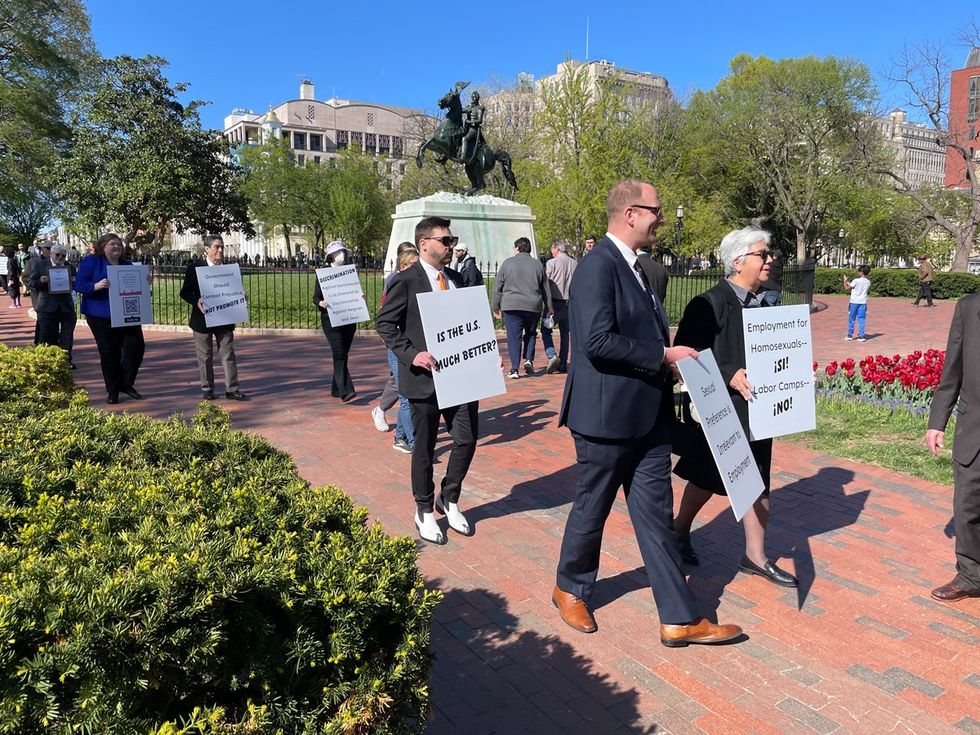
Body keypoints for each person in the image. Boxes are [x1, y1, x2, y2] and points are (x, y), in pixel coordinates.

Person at [553, 179, 742, 647]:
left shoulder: (640, 268)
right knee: (592, 508)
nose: (661, 218)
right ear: (631, 213)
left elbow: (640, 335)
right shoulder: (598, 266)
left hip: (650, 417)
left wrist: (670, 364)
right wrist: (662, 356)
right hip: (605, 418)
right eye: (655, 210)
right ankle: (569, 588)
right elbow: (596, 343)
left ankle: (679, 617)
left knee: (657, 518)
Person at [671, 227, 798, 589]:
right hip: (723, 411)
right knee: (708, 477)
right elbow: (685, 357)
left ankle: (755, 556)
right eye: (762, 253)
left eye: (769, 253)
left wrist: (795, 370)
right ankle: (679, 529)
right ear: (737, 260)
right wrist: (728, 374)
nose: (770, 259)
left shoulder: (770, 300)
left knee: (757, 481)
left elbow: (779, 349)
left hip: (761, 408)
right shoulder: (708, 303)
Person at [376, 216, 477, 545]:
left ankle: (448, 498)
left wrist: (484, 352)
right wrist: (412, 354)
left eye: (452, 240)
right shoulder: (405, 281)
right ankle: (423, 509)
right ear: (424, 244)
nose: (451, 246)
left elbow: (468, 325)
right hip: (424, 379)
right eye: (445, 240)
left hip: (460, 377)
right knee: (424, 448)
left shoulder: (458, 279)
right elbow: (385, 324)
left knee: (467, 439)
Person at [925, 292, 980, 602]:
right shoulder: (969, 308)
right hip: (975, 429)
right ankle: (971, 576)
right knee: (967, 506)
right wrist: (937, 422)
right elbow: (952, 370)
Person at [73, 233, 147, 404]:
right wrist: (95, 286)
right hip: (100, 316)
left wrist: (145, 282)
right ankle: (112, 391)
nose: (116, 247)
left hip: (126, 315)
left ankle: (125, 383)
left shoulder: (127, 265)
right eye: (112, 244)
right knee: (109, 353)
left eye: (119, 245)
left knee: (136, 349)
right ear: (103, 246)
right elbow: (78, 284)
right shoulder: (92, 262)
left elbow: (135, 288)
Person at [179, 235, 248, 401]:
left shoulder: (229, 269)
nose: (220, 250)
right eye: (217, 247)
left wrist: (241, 297)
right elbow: (185, 292)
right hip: (202, 319)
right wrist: (197, 301)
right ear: (207, 249)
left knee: (228, 353)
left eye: (222, 247)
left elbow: (233, 291)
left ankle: (232, 388)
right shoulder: (195, 268)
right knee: (205, 355)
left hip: (225, 317)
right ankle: (207, 388)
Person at [373, 245, 420, 454]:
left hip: (414, 346)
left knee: (405, 391)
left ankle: (401, 436)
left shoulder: (419, 282)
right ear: (403, 265)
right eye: (413, 264)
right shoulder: (397, 282)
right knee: (406, 395)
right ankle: (413, 442)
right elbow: (385, 319)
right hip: (398, 346)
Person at [492, 237, 553, 379]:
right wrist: (549, 306)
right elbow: (545, 288)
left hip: (511, 305)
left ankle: (514, 368)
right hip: (533, 305)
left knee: (514, 337)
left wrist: (496, 305)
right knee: (531, 333)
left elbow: (497, 286)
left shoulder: (508, 263)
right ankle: (529, 360)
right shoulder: (537, 265)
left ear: (517, 248)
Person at [314, 240, 358, 402]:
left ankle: (335, 388)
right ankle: (346, 390)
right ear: (330, 256)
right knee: (339, 353)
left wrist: (359, 298)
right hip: (331, 320)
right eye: (338, 253)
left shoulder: (350, 272)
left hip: (349, 319)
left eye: (343, 252)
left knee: (343, 354)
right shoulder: (323, 274)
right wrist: (321, 303)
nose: (342, 255)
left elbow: (354, 292)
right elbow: (315, 297)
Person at [27, 243, 77, 367]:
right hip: (47, 306)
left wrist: (74, 281)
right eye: (58, 254)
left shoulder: (69, 267)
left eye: (63, 255)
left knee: (67, 335)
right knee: (47, 335)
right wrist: (41, 281)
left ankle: (66, 360)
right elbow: (30, 282)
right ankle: (47, 361)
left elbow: (76, 284)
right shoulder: (39, 265)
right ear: (51, 254)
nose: (60, 257)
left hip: (66, 306)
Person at [542, 239, 577, 374]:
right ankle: (562, 362)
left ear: (556, 248)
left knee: (545, 329)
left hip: (555, 302)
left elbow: (547, 283)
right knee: (565, 334)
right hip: (569, 303)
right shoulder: (574, 263)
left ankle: (552, 355)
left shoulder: (552, 263)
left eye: (552, 248)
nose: (551, 251)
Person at [843, 265, 871, 342]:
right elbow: (856, 286)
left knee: (852, 318)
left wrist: (844, 281)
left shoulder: (855, 280)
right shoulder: (868, 282)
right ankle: (861, 336)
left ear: (861, 272)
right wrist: (849, 282)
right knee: (861, 318)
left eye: (859, 271)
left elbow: (846, 288)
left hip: (854, 301)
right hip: (863, 302)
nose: (858, 272)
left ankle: (849, 335)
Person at [460, 90, 484, 164]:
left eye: (474, 97)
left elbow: (480, 121)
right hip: (467, 127)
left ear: (477, 98)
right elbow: (460, 110)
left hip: (474, 129)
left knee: (465, 139)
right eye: (472, 97)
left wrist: (469, 122)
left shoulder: (480, 108)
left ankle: (463, 157)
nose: (473, 99)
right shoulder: (469, 107)